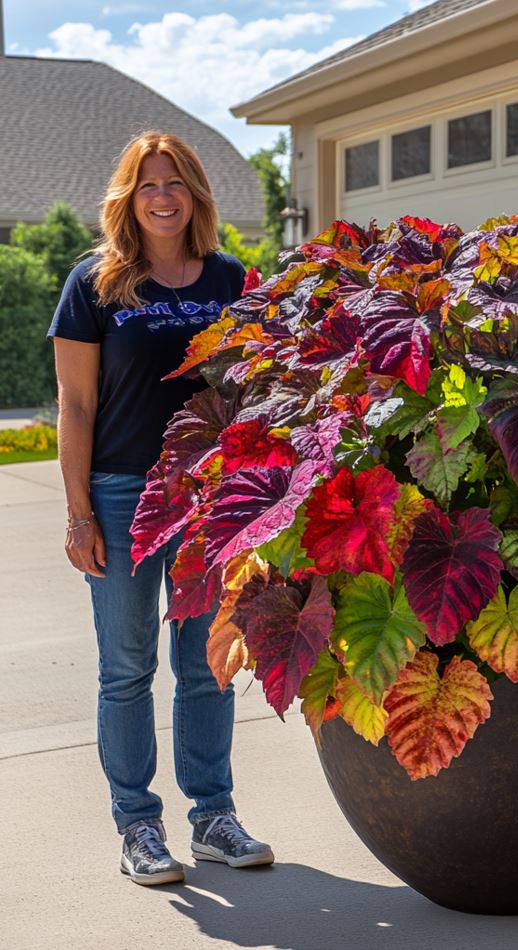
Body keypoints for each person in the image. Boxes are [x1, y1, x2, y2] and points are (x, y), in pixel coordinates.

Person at [48, 131, 274, 886]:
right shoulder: (96, 283)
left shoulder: (232, 279)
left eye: (175, 182)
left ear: (196, 195)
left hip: (210, 499)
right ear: (128, 197)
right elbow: (76, 405)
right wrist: (78, 512)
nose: (163, 195)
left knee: (206, 666)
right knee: (126, 668)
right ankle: (138, 827)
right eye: (148, 184)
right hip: (119, 495)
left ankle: (212, 815)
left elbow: (256, 387)